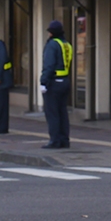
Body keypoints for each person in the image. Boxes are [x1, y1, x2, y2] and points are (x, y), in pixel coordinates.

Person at [39, 20, 73, 149]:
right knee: (62, 112)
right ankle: (64, 139)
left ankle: (55, 140)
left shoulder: (52, 45)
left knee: (52, 112)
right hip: (65, 81)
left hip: (53, 83)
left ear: (51, 33)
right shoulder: (66, 44)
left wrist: (43, 82)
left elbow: (49, 65)